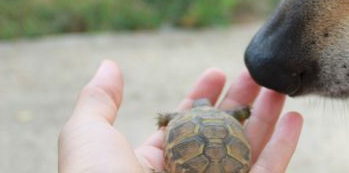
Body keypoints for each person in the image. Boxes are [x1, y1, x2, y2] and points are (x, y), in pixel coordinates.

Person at [58, 60, 303, 172]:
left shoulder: (178, 119)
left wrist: (165, 120)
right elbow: (241, 112)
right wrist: (244, 113)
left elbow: (164, 119)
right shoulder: (229, 117)